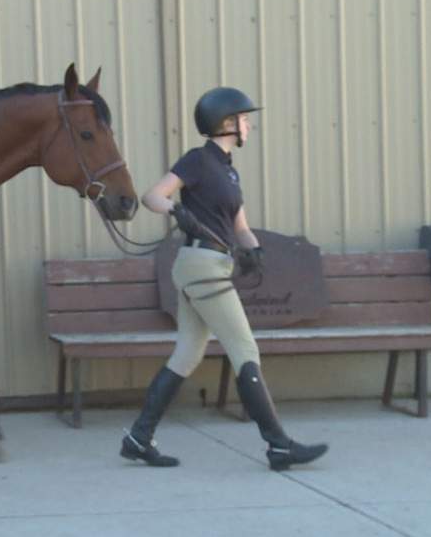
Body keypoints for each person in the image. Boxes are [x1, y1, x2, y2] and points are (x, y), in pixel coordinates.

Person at [119, 87, 328, 471]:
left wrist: (254, 251)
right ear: (227, 123)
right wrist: (177, 210)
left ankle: (138, 438)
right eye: (244, 119)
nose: (249, 125)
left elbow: (239, 225)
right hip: (200, 264)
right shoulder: (198, 160)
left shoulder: (229, 171)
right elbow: (153, 196)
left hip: (212, 263)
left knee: (187, 353)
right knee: (245, 349)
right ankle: (278, 446)